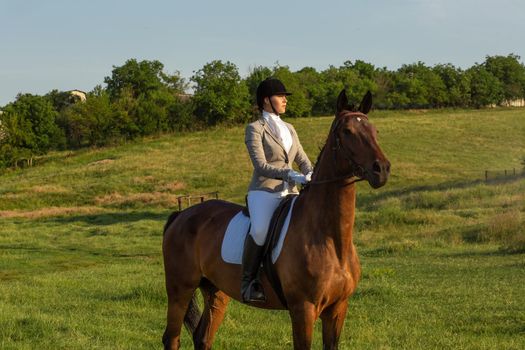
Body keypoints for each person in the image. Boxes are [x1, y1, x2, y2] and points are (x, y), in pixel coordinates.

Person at [241, 77, 313, 303]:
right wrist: (288, 174)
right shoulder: (255, 129)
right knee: (261, 230)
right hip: (264, 191)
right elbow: (260, 166)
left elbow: (302, 159)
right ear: (266, 100)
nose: (285, 100)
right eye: (280, 96)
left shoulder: (289, 128)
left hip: (290, 192)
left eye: (284, 97)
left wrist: (310, 173)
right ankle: (249, 282)